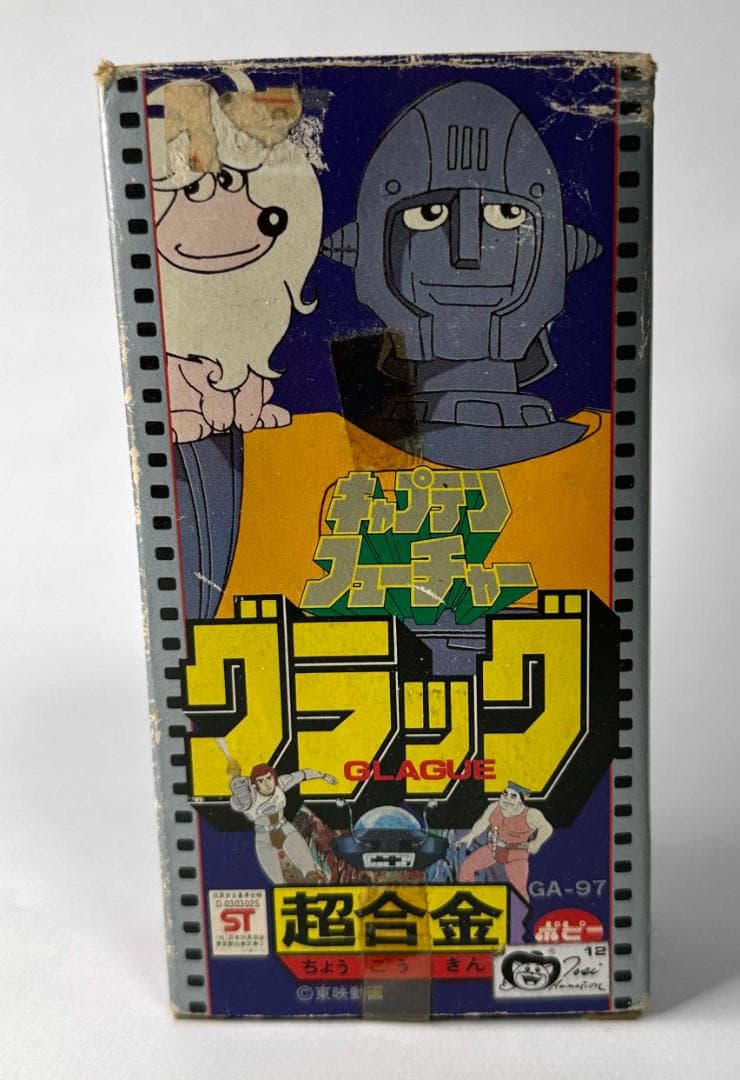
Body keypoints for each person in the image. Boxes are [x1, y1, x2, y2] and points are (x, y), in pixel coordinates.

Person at [230, 763, 336, 884]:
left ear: (273, 777)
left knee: (310, 871)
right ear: (255, 784)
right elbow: (237, 803)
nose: (266, 783)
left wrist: (323, 776)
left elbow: (303, 774)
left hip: (285, 829)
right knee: (277, 881)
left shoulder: (280, 784)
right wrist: (237, 797)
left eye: (269, 778)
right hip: (263, 838)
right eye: (261, 781)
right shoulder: (249, 797)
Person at [453, 782, 553, 897]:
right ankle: (465, 898)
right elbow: (483, 822)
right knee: (466, 868)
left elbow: (547, 828)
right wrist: (471, 835)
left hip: (516, 855)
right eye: (505, 794)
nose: (507, 799)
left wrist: (537, 842)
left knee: (519, 890)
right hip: (493, 849)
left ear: (521, 800)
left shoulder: (531, 814)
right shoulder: (494, 807)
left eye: (513, 796)